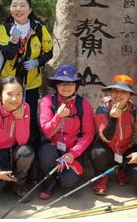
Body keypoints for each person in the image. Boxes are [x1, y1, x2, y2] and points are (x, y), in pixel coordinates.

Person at [0, 0, 53, 146]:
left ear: (29, 9)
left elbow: (49, 52)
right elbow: (7, 54)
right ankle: (9, 145)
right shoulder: (5, 28)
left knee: (29, 114)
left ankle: (30, 147)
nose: (18, 8)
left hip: (31, 81)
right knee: (8, 114)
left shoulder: (39, 29)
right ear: (10, 9)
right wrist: (14, 40)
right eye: (14, 5)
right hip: (9, 81)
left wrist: (37, 62)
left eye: (22, 5)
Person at [37, 65, 94, 200]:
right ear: (56, 85)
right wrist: (58, 117)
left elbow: (89, 133)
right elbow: (47, 131)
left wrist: (73, 153)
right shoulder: (47, 101)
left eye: (70, 83)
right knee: (47, 152)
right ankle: (49, 180)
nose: (66, 87)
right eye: (62, 83)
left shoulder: (83, 104)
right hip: (52, 147)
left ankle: (59, 178)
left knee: (67, 182)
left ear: (76, 85)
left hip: (73, 150)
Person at [91, 74, 137, 196]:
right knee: (98, 153)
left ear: (130, 95)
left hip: (126, 148)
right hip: (107, 148)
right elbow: (105, 137)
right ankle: (101, 177)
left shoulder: (136, 112)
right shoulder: (103, 109)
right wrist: (113, 118)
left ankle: (122, 170)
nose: (118, 95)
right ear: (110, 92)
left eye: (124, 92)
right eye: (115, 90)